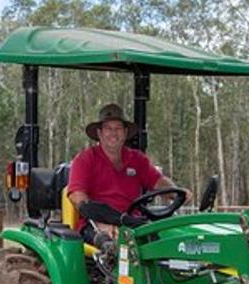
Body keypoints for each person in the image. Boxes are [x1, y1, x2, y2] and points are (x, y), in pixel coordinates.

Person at [67, 103, 191, 241]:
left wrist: (177, 192)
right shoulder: (85, 159)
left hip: (132, 222)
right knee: (110, 242)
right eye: (108, 128)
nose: (113, 133)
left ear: (125, 132)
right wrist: (101, 223)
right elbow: (78, 198)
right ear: (99, 133)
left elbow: (158, 182)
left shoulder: (137, 159)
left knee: (167, 238)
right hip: (96, 224)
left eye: (118, 128)